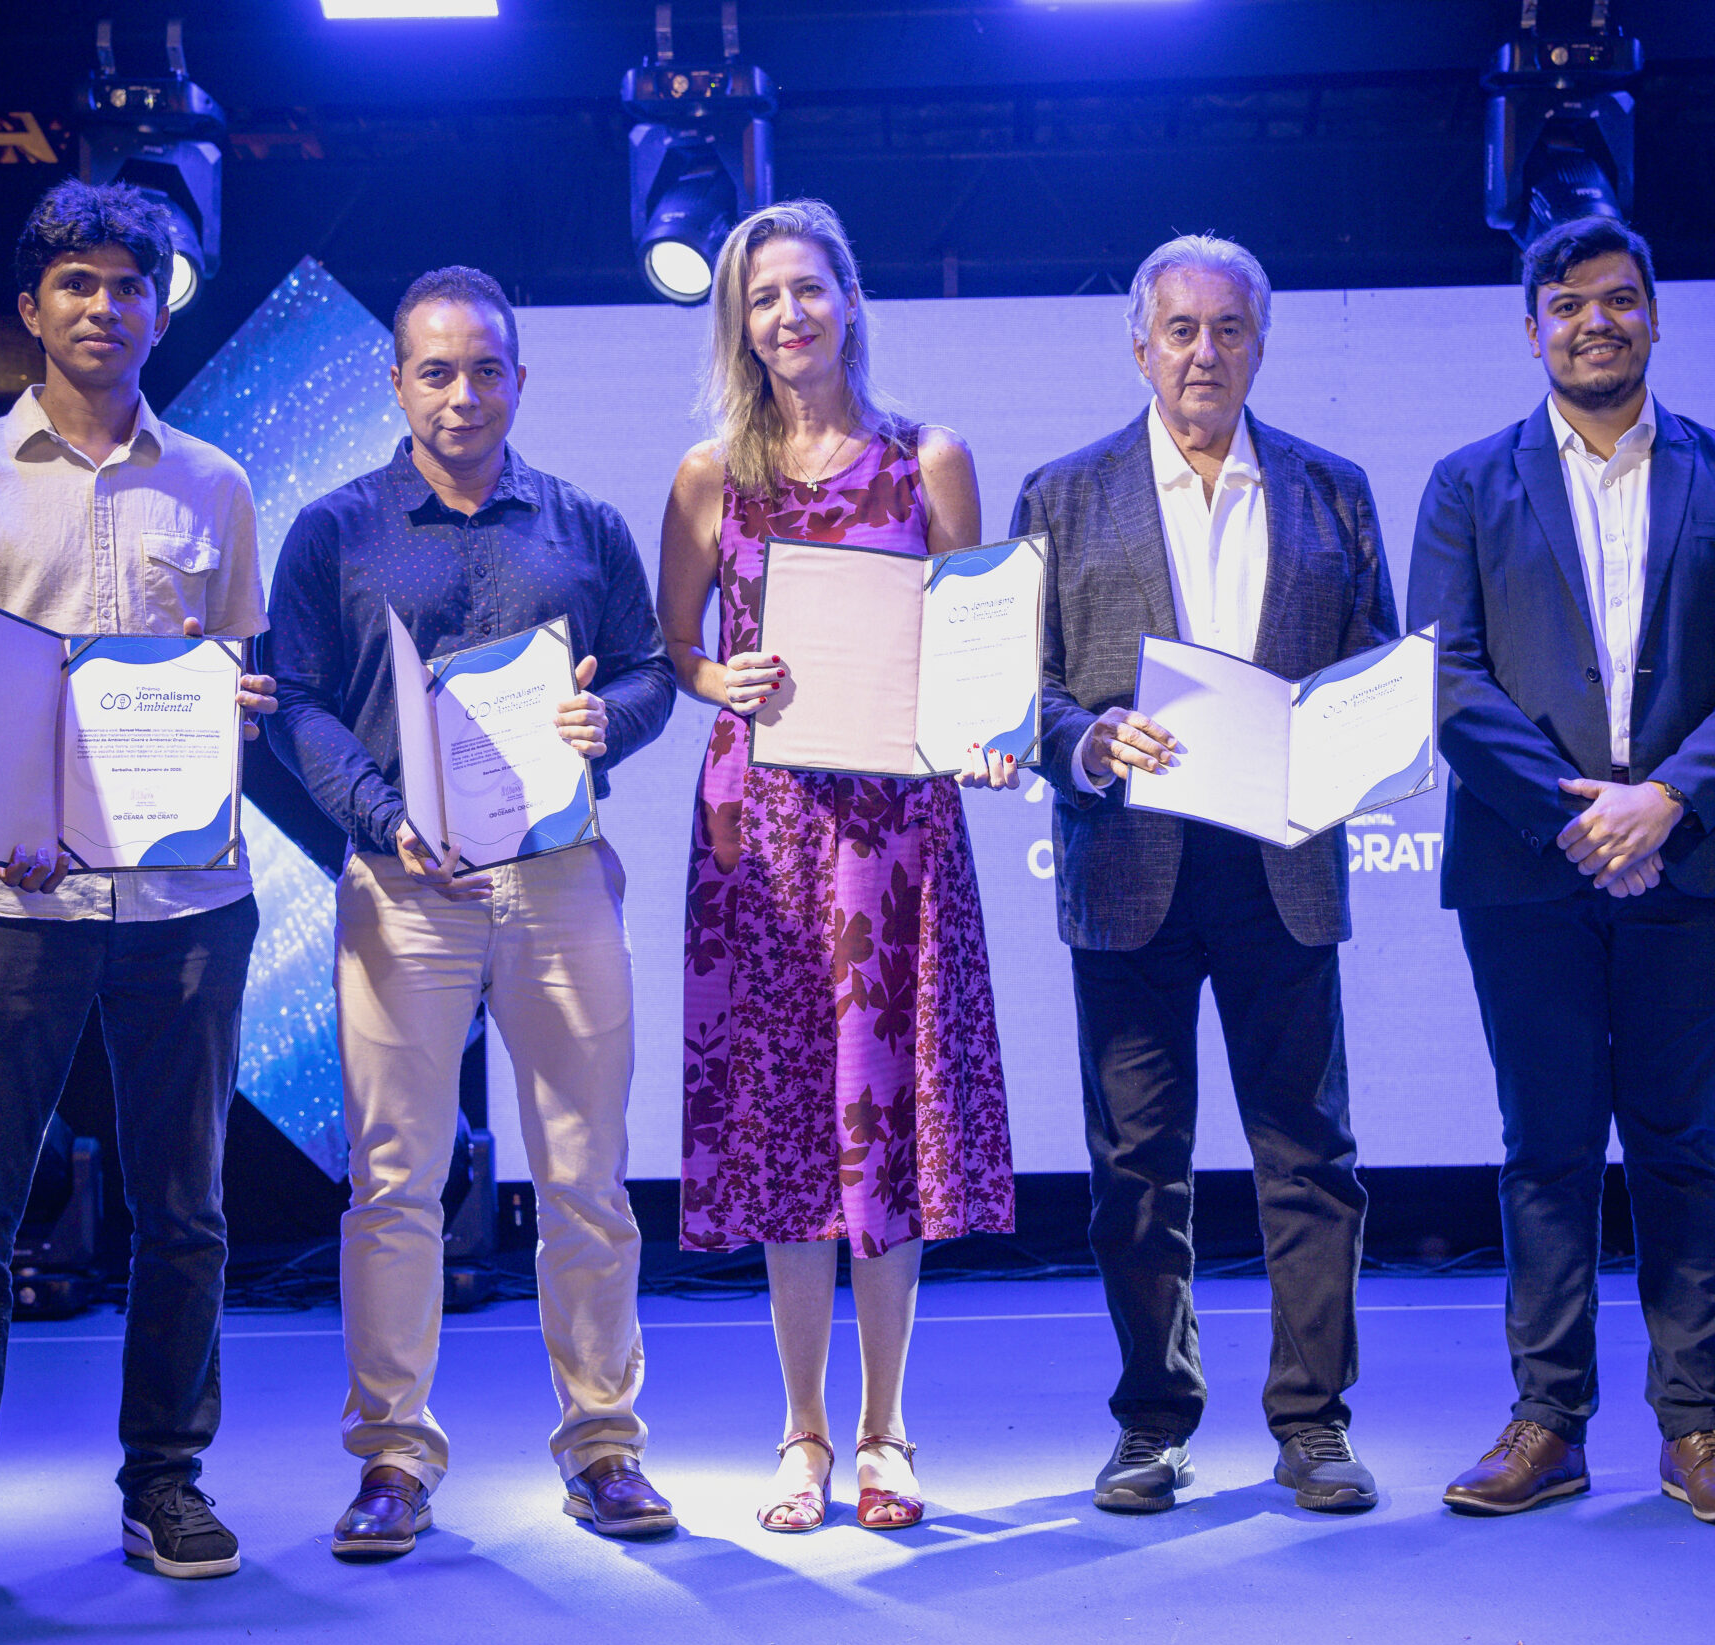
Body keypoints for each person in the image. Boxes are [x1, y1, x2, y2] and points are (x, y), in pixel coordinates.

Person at [0, 179, 278, 1600]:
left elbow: (227, 683)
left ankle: (165, 1479)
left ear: (161, 313)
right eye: (78, 284)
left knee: (187, 1209)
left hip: (183, 899)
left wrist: (235, 710)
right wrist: (1, 812)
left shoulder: (216, 482)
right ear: (32, 308)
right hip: (6, 896)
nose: (106, 306)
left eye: (130, 285)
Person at [267, 265, 679, 1556]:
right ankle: (392, 1454)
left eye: (485, 369)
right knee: (395, 1183)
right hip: (404, 884)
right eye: (436, 371)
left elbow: (653, 672)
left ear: (518, 378)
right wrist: (380, 814)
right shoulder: (333, 530)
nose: (462, 393)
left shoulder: (582, 522)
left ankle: (604, 1444)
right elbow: (294, 701)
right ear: (396, 382)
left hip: (560, 877)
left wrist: (607, 718)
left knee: (586, 1177)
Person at [1408, 216, 1715, 1527]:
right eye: (1569, 301)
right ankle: (1548, 1422)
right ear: (1531, 327)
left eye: (1621, 298)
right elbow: (1444, 675)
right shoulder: (1468, 483)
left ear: (1653, 318)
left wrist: (1665, 802)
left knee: (1682, 1148)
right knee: (1546, 1149)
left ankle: (1697, 1427)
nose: (1597, 320)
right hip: (1528, 866)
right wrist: (1581, 819)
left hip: (1699, 860)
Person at [1013, 235, 1396, 1516]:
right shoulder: (1061, 495)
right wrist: (1083, 740)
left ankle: (1313, 1424)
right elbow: (1021, 688)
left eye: (1228, 328)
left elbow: (1374, 663)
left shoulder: (1333, 490)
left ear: (1259, 345)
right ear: (1139, 345)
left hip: (1283, 864)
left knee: (1310, 1156)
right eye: (1179, 329)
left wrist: (1356, 734)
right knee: (1135, 1165)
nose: (1203, 352)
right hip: (1129, 863)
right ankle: (1152, 1422)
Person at [656, 199, 1015, 1534]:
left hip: (893, 834)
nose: (788, 314)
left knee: (882, 1125)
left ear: (850, 298)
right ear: (738, 324)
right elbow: (676, 650)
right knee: (783, 1127)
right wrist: (721, 677)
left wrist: (986, 736)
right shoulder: (708, 476)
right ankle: (801, 1431)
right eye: (762, 298)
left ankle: (886, 1429)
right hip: (759, 835)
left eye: (808, 288)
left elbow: (977, 649)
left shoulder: (931, 459)